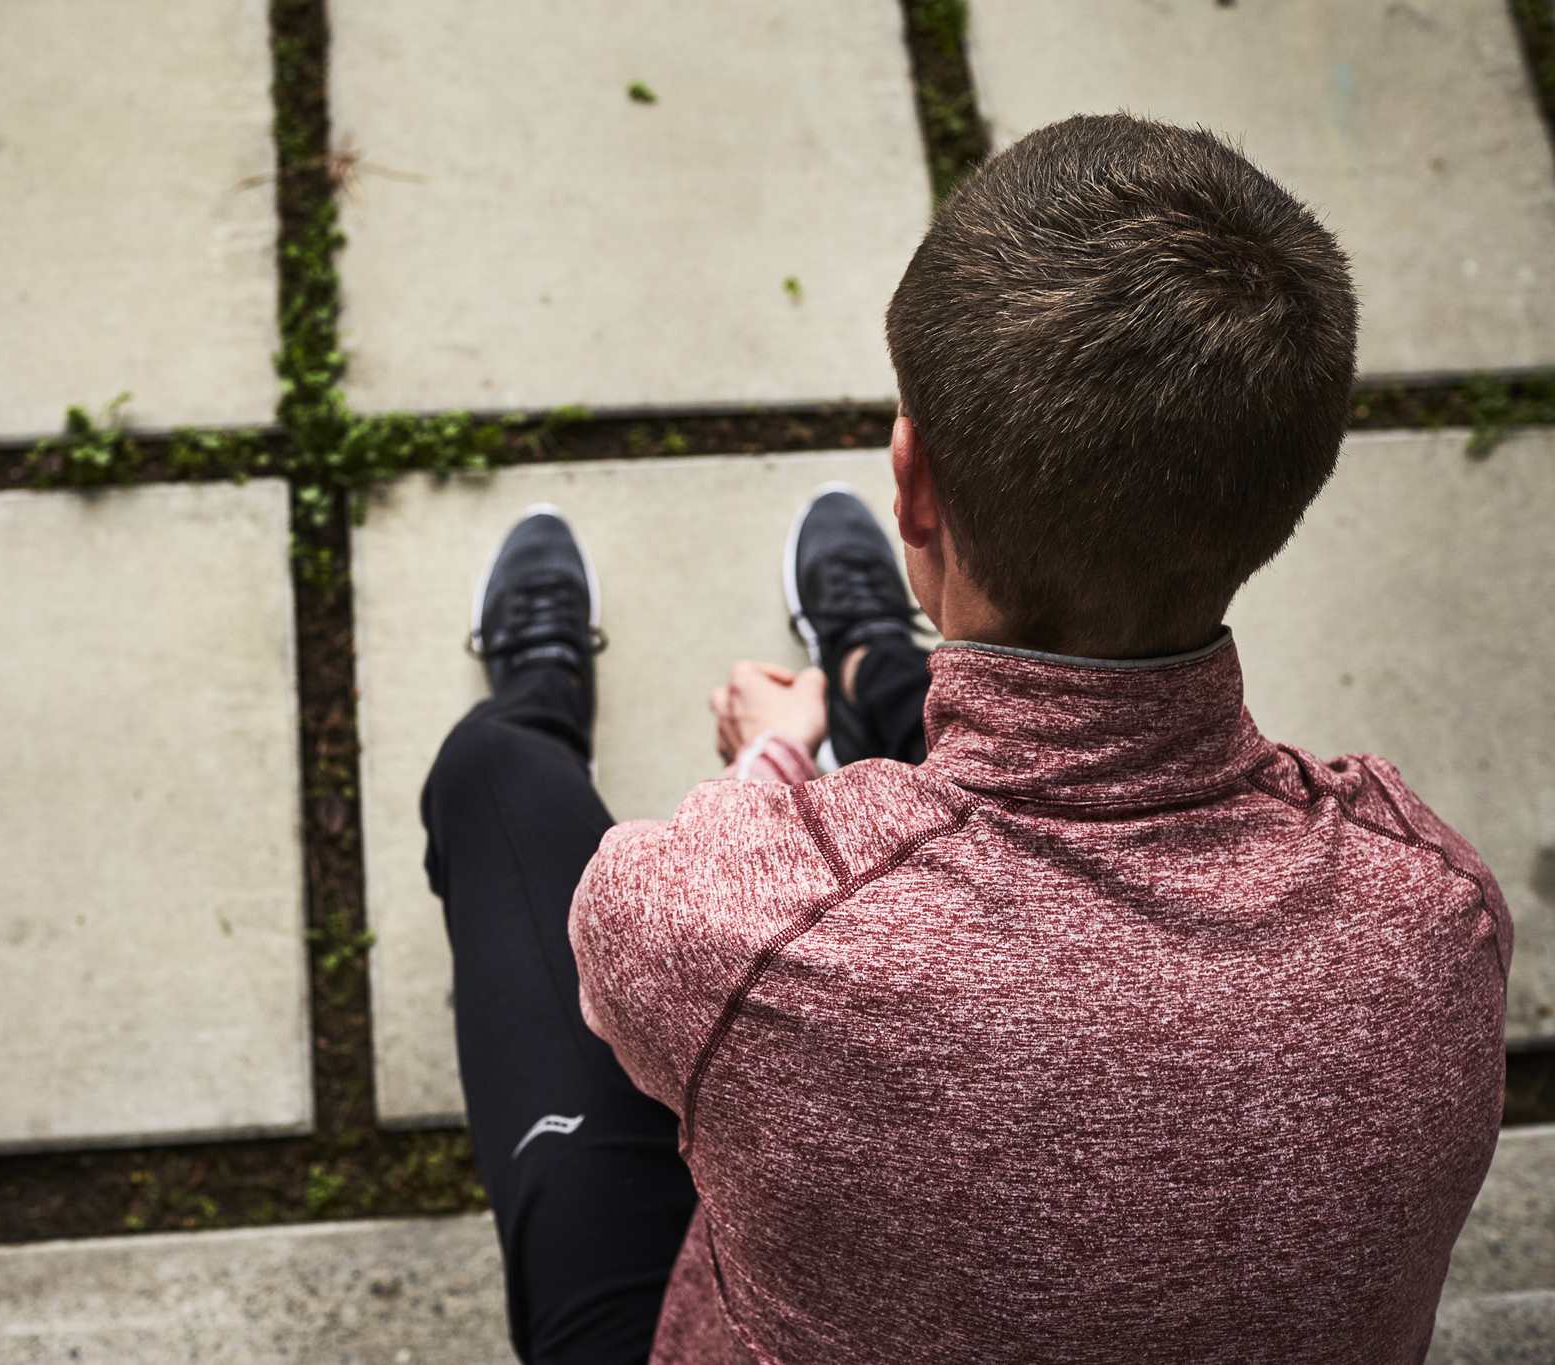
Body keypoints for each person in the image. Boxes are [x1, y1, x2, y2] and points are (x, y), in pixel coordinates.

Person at [420, 113, 1510, 1365]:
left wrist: (772, 752)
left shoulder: (748, 919)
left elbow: (635, 966)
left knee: (496, 776)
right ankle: (884, 662)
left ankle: (568, 689)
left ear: (912, 482)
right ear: (1280, 503)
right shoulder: (1434, 905)